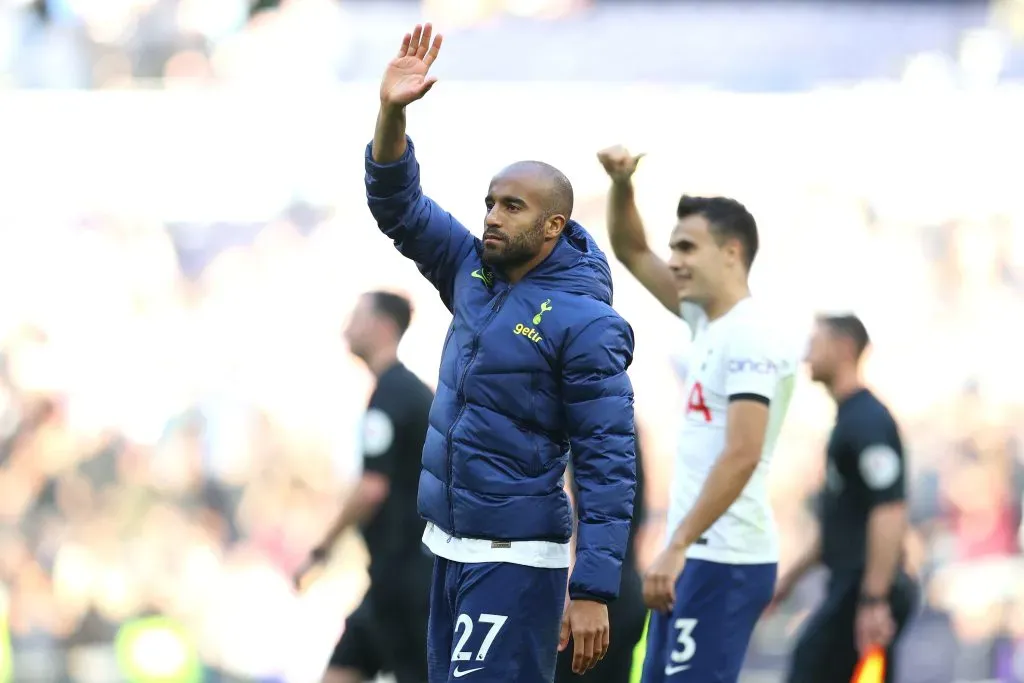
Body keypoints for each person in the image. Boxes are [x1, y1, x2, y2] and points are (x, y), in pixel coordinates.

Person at [366, 25, 637, 683]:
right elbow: (399, 206)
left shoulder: (586, 323)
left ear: (552, 227)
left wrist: (594, 586)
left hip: (516, 562)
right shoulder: (472, 272)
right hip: (449, 551)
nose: (491, 215)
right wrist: (392, 111)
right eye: (489, 201)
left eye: (511, 206)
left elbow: (608, 461)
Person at [596, 145, 799, 682]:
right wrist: (621, 184)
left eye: (687, 247)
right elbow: (632, 249)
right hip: (694, 554)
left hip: (724, 558)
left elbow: (743, 453)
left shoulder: (751, 333)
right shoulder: (708, 324)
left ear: (732, 252)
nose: (674, 260)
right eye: (673, 248)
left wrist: (677, 545)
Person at [295, 291, 435, 683]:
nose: (346, 328)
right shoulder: (406, 393)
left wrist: (321, 548)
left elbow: (372, 487)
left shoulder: (394, 396)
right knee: (341, 670)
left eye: (357, 317)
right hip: (393, 579)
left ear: (384, 327)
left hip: (409, 582)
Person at [773, 314, 916, 683]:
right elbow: (840, 523)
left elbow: (889, 509)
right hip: (852, 584)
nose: (807, 354)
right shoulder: (846, 422)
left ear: (844, 348)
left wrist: (874, 599)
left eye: (815, 343)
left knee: (810, 664)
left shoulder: (867, 421)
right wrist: (789, 579)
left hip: (863, 587)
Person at [555, 430, 649, 683]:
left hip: (583, 600)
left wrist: (583, 591)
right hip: (617, 584)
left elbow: (571, 501)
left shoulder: (583, 415)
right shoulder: (618, 416)